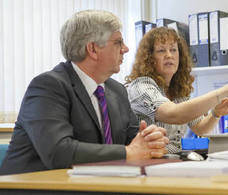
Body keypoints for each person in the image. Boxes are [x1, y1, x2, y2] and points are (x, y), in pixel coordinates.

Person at [0, 10, 169, 175]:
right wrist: (128, 152)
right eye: (118, 42)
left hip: (92, 184)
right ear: (93, 49)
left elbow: (134, 143)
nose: (125, 48)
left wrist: (151, 142)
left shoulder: (117, 90)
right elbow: (59, 152)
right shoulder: (48, 86)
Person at [125, 27, 228, 153]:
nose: (169, 55)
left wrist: (216, 113)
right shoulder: (141, 86)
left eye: (173, 50)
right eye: (161, 51)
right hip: (148, 163)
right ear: (149, 58)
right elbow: (174, 114)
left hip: (171, 160)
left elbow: (200, 128)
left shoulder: (177, 90)